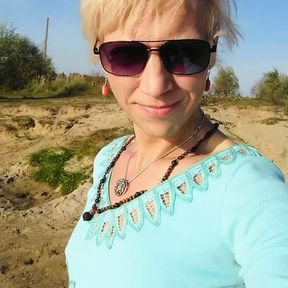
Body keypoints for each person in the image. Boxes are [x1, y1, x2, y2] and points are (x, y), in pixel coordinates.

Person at [65, 0, 288, 287]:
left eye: (184, 53)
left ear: (211, 57)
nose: (156, 85)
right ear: (101, 59)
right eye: (126, 55)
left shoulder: (249, 189)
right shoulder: (108, 158)